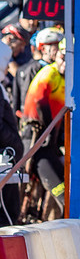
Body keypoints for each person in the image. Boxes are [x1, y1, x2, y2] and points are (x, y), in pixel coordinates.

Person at [21, 42, 66, 216]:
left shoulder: (66, 79)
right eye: (62, 57)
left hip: (49, 144)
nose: (64, 63)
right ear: (56, 56)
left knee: (63, 192)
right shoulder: (49, 72)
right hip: (35, 140)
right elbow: (39, 101)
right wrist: (49, 130)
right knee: (61, 192)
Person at [12, 27, 63, 117]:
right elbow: (26, 102)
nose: (59, 50)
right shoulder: (30, 70)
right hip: (38, 126)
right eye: (56, 45)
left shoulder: (61, 70)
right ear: (43, 49)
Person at [0, 41, 23, 227]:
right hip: (4, 161)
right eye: (6, 61)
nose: (8, 66)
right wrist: (13, 145)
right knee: (8, 213)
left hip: (6, 159)